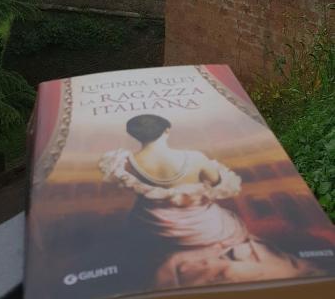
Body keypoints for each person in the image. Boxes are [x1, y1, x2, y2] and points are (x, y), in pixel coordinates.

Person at [99, 114, 315, 289]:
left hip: (152, 223)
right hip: (203, 225)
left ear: (135, 135)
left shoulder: (123, 162)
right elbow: (218, 184)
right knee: (229, 223)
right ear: (166, 131)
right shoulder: (194, 158)